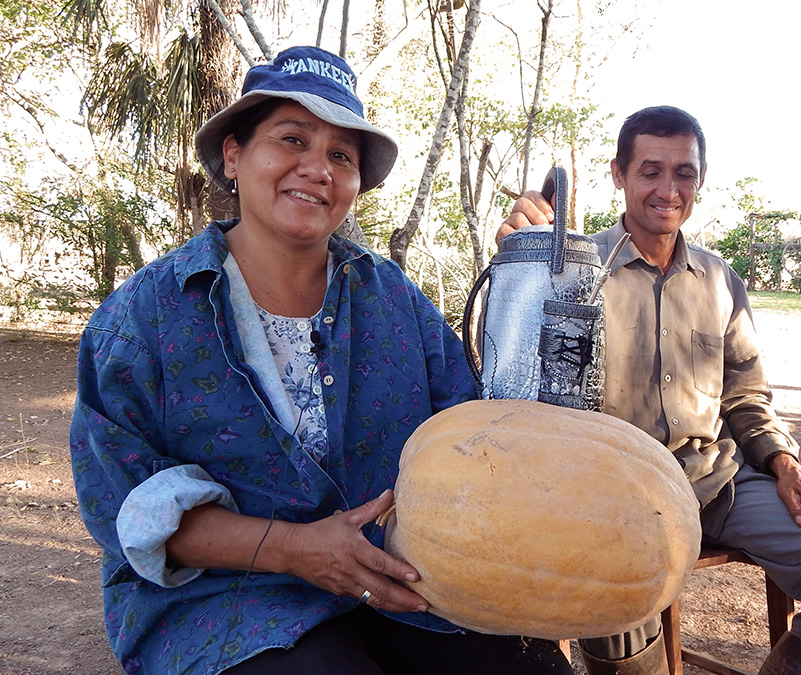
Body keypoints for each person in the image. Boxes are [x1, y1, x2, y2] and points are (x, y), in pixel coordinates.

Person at [70, 45, 573, 675]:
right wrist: (294, 550)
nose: (317, 168)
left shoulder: (394, 302)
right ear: (234, 155)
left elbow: (478, 430)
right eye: (291, 139)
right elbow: (123, 502)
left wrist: (529, 273)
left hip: (399, 578)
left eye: (341, 154)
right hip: (229, 598)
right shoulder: (145, 318)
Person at [498, 106, 801, 675]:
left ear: (700, 180)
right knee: (620, 597)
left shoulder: (720, 279)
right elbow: (517, 382)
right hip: (619, 493)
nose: (668, 190)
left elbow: (746, 395)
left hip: (718, 481)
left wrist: (785, 462)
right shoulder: (569, 267)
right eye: (650, 171)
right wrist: (518, 259)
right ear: (618, 174)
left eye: (684, 174)